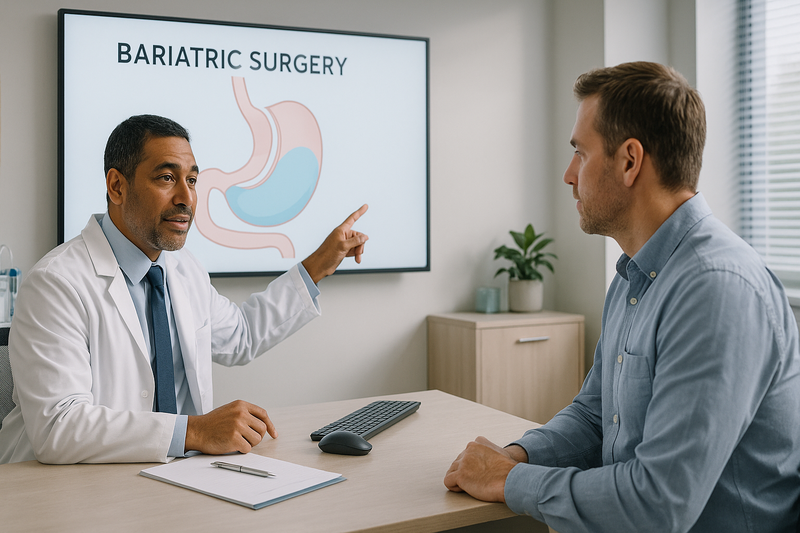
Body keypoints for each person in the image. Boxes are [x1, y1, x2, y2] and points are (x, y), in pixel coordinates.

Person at [444, 62, 800, 532]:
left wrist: (512, 479)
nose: (569, 175)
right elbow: (596, 416)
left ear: (630, 161)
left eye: (580, 153)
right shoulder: (636, 276)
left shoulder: (716, 289)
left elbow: (659, 503)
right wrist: (516, 454)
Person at [0, 114, 368, 465]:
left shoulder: (182, 268)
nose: (187, 198)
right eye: (166, 178)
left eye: (192, 181)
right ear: (117, 186)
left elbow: (240, 337)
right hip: (62, 489)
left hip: (172, 474)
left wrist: (321, 262)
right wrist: (195, 431)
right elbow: (58, 428)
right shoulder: (56, 283)